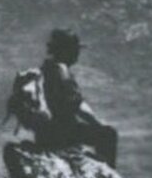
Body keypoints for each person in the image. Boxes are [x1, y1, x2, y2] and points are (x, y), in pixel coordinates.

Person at [33, 29, 119, 164]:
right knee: (108, 134)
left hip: (44, 134)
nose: (77, 53)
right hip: (62, 133)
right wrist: (98, 124)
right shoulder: (62, 71)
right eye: (75, 49)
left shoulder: (45, 68)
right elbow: (76, 105)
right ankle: (109, 175)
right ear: (66, 50)